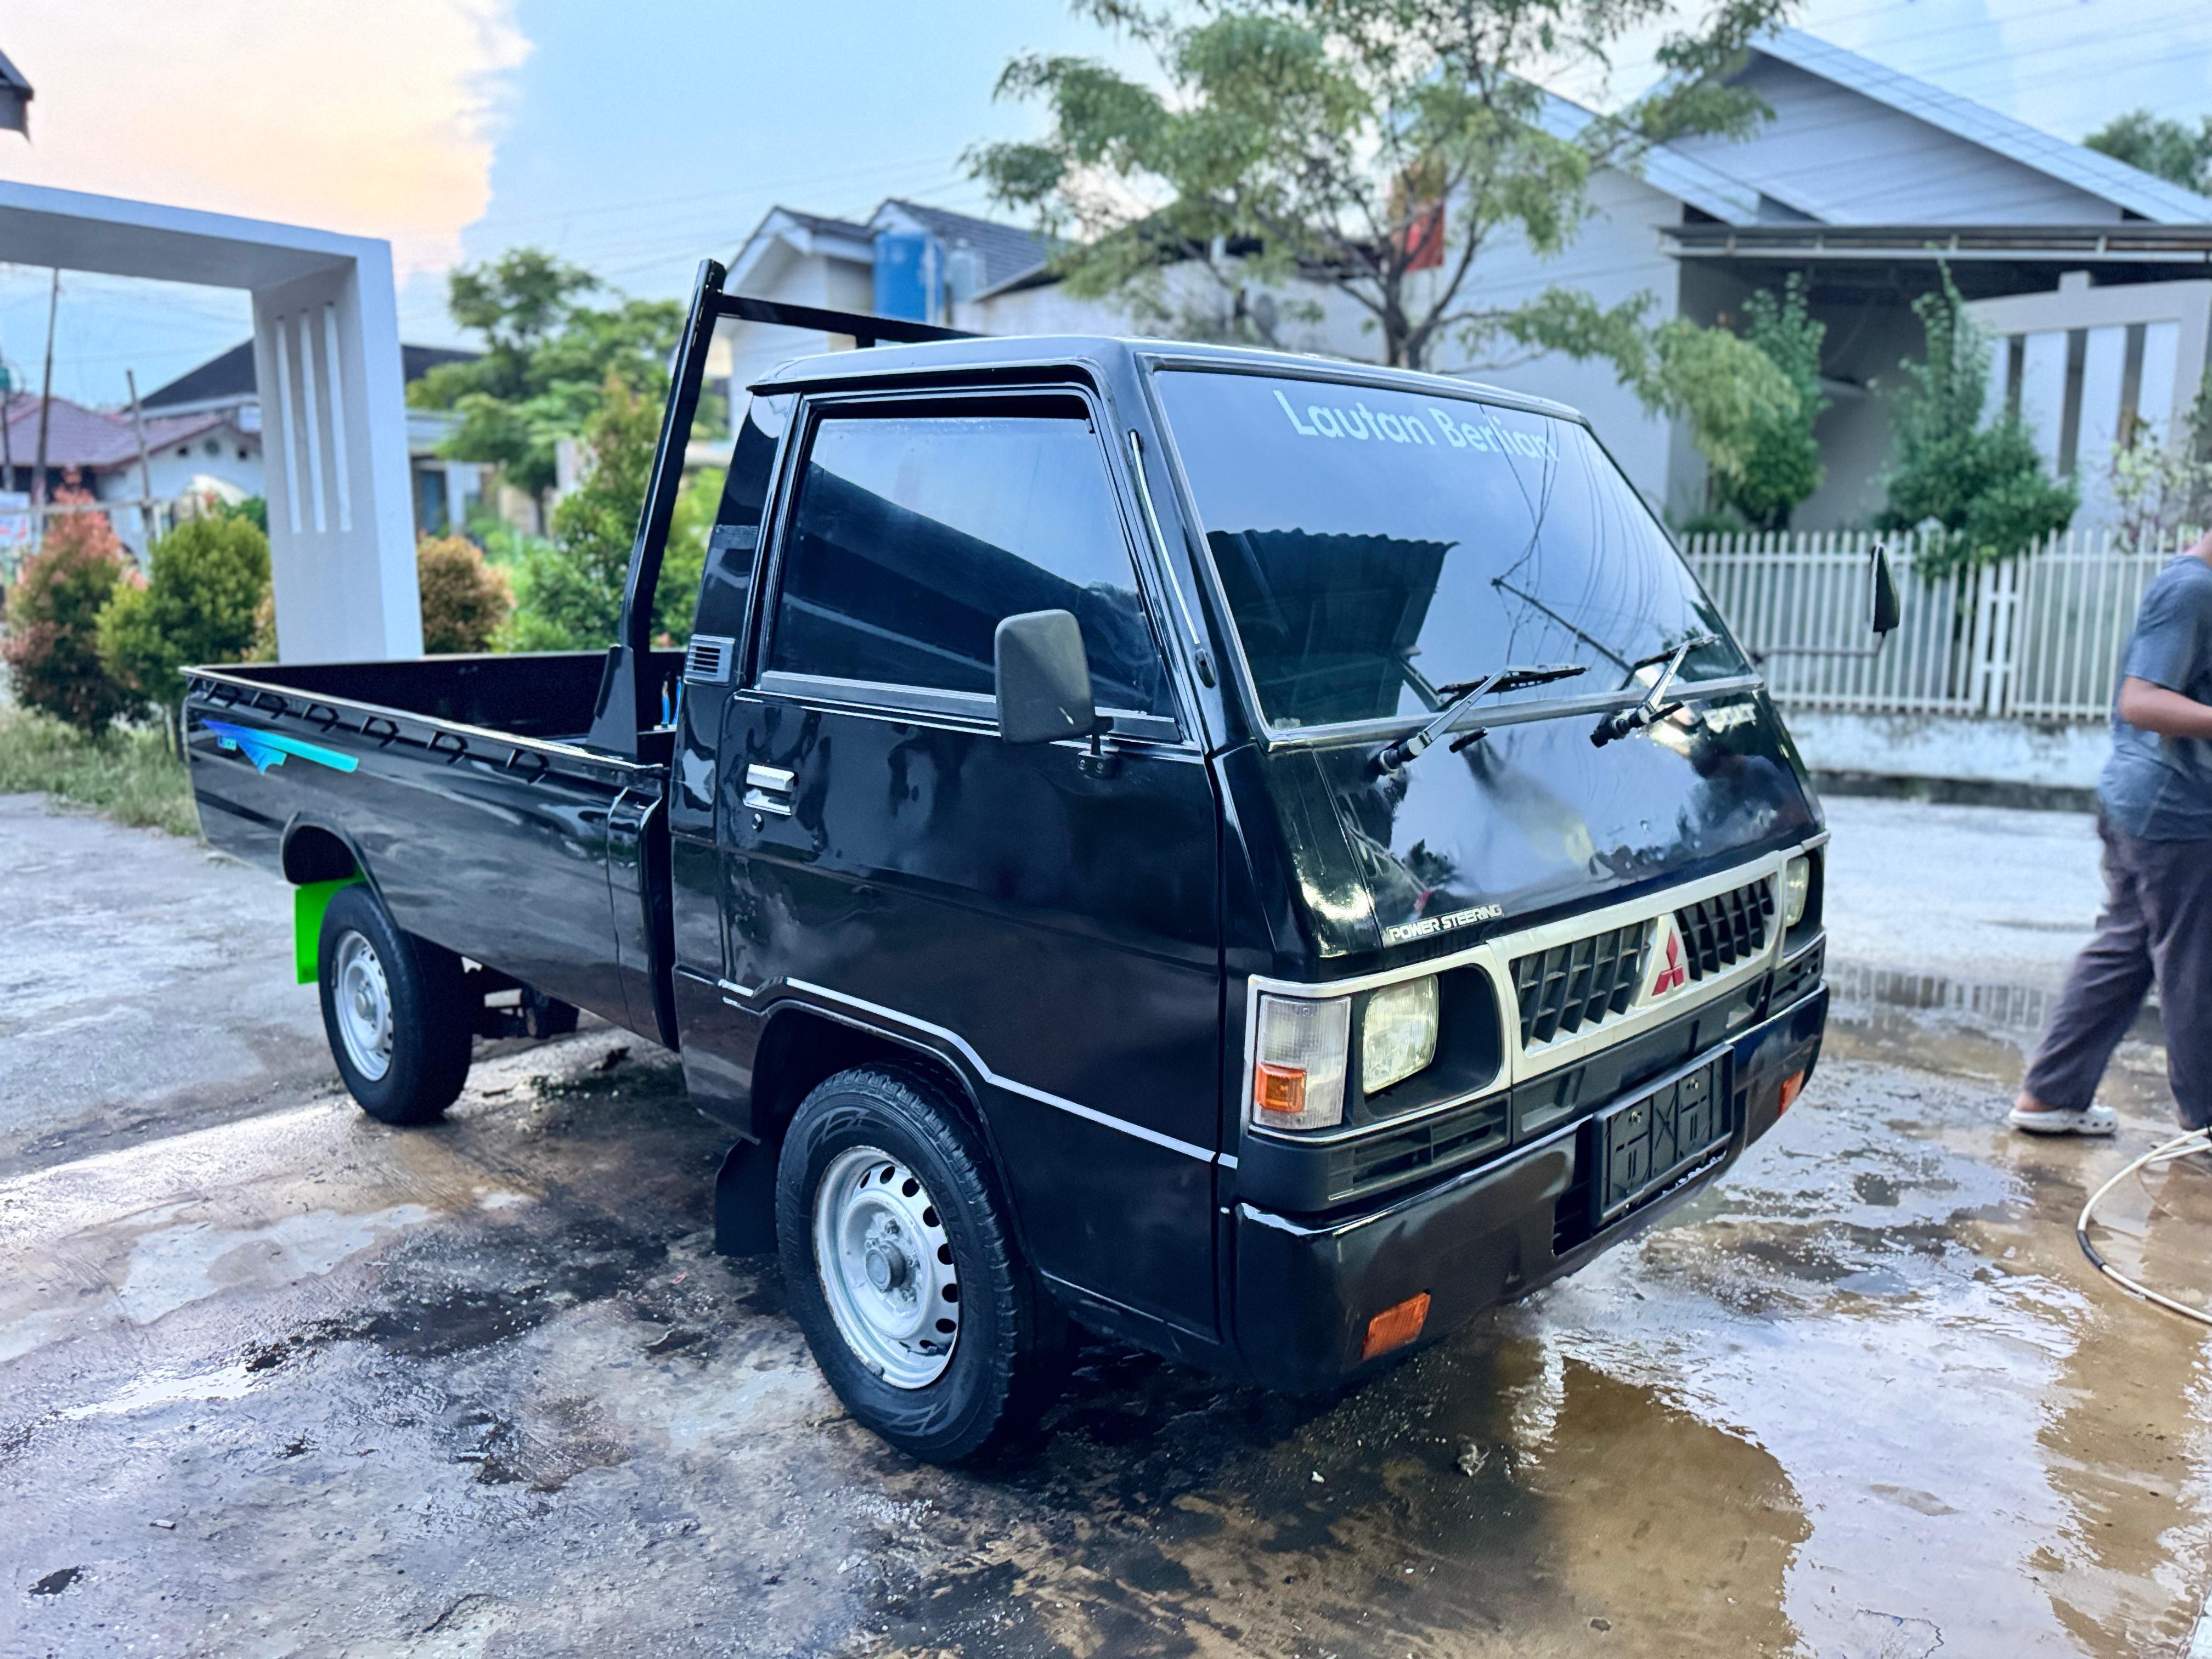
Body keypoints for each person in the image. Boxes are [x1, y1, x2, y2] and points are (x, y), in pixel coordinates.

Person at [2011, 525, 2212, 1137]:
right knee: (2195, 967)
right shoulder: (2193, 590)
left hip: (2146, 803)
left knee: (2126, 952)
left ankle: (2049, 1096)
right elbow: (2141, 700)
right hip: (2173, 812)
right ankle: (2205, 1120)